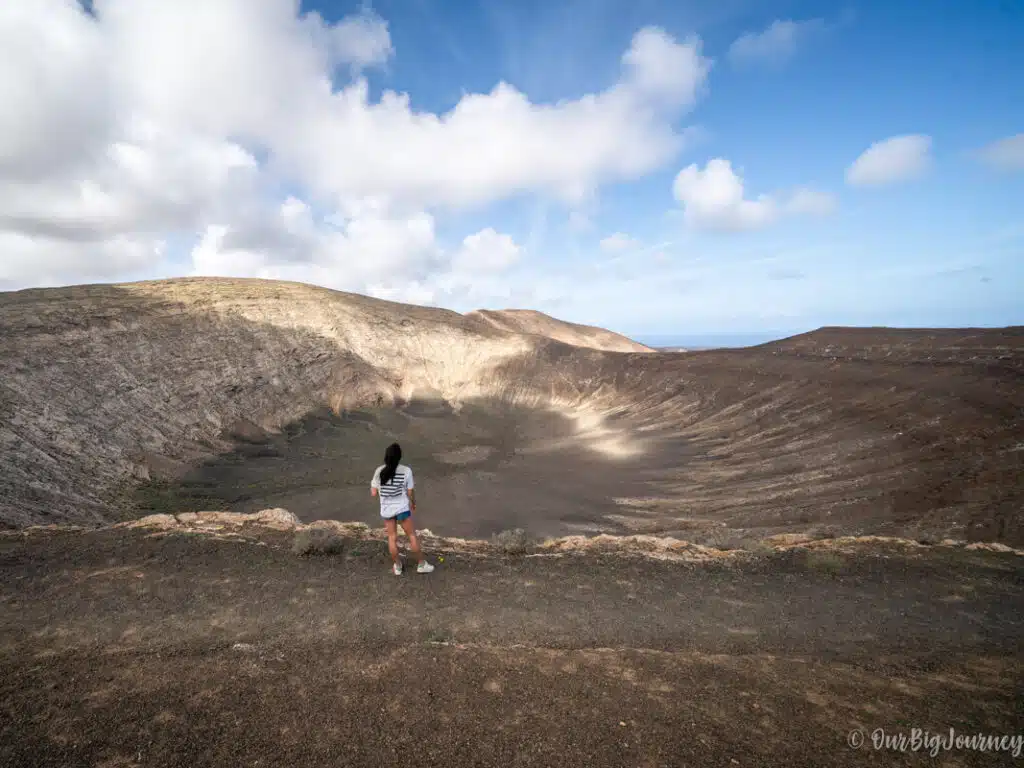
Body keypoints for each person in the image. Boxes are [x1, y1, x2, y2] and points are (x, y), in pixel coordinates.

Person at [371, 442, 434, 576]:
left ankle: (398, 567)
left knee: (392, 538)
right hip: (402, 508)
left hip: (387, 510)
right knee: (411, 535)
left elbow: (374, 493)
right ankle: (421, 565)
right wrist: (413, 503)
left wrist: (383, 492)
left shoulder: (379, 471)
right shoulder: (406, 470)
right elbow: (410, 491)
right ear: (399, 457)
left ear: (386, 457)